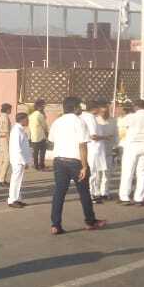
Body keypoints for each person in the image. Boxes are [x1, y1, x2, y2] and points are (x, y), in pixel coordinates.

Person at [47, 96, 106, 235]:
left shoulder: (57, 121)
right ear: (75, 108)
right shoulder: (79, 122)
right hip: (75, 161)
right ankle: (90, 221)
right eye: (80, 106)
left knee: (59, 193)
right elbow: (82, 145)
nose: (81, 108)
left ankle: (55, 224)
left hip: (59, 161)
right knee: (84, 192)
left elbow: (51, 140)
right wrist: (84, 166)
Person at [118, 99, 144, 205]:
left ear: (135, 107)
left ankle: (125, 197)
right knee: (142, 173)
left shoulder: (131, 117)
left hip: (131, 146)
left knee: (127, 172)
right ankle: (139, 198)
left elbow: (121, 127)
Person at [90, 103, 117, 203]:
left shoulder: (113, 120)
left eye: (107, 111)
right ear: (99, 111)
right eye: (102, 111)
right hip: (97, 151)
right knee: (97, 173)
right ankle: (96, 193)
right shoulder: (95, 120)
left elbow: (116, 135)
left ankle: (105, 192)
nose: (105, 113)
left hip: (109, 150)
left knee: (107, 173)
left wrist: (115, 147)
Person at [8, 112, 32, 207]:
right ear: (22, 120)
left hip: (20, 160)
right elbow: (17, 148)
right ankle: (12, 200)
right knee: (15, 180)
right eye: (27, 119)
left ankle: (17, 198)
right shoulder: (16, 130)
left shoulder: (20, 129)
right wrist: (23, 161)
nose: (28, 121)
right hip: (18, 160)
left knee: (19, 180)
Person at [29, 100, 49, 170]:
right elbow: (44, 126)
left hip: (33, 136)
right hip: (40, 136)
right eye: (43, 106)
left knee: (35, 152)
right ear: (40, 106)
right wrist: (47, 134)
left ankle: (36, 165)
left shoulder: (31, 115)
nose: (44, 107)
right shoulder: (40, 115)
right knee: (42, 152)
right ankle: (42, 165)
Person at [0, 103, 13, 187]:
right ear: (7, 109)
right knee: (7, 159)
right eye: (10, 109)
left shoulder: (0, 116)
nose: (11, 111)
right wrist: (10, 142)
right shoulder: (5, 117)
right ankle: (2, 179)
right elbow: (6, 131)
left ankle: (0, 178)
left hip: (0, 138)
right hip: (5, 138)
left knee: (2, 159)